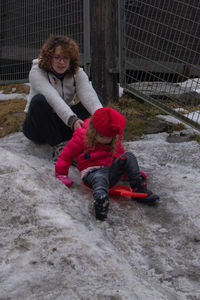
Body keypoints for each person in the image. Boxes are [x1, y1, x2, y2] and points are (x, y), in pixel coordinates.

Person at [55, 107, 160, 221]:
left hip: (109, 170)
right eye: (102, 136)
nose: (105, 140)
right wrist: (61, 173)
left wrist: (130, 172)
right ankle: (101, 202)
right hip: (92, 173)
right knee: (100, 179)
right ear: (93, 130)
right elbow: (67, 154)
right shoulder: (82, 137)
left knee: (128, 156)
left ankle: (138, 188)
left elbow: (119, 154)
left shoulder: (113, 138)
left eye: (109, 138)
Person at [22, 35, 102, 160]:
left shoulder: (78, 73)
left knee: (97, 101)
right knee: (39, 101)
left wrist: (103, 120)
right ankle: (59, 147)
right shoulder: (36, 71)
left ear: (71, 59)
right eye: (57, 57)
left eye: (66, 58)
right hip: (37, 126)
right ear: (49, 58)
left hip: (62, 123)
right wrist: (73, 121)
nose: (62, 62)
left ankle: (93, 139)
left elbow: (88, 95)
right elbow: (53, 98)